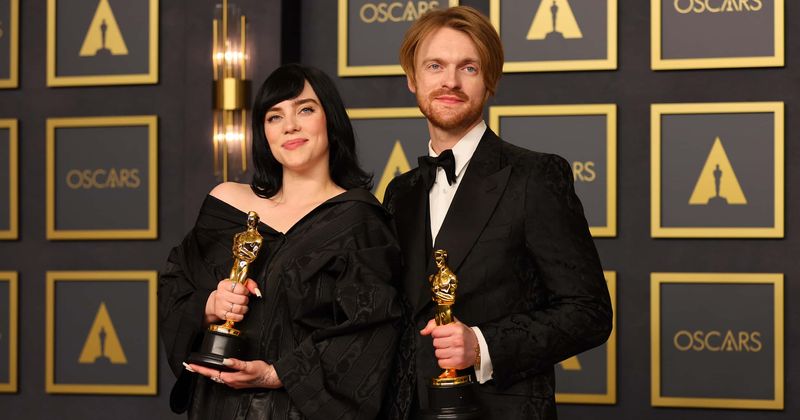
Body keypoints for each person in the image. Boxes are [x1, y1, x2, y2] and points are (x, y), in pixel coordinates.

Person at [382, 6, 613, 419]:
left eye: (468, 68)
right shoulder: (400, 193)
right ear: (412, 79)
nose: (450, 81)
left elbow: (589, 312)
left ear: (490, 81)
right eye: (435, 66)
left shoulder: (535, 176)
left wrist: (482, 345)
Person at [159, 64, 410, 420]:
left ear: (330, 119)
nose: (289, 126)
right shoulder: (226, 205)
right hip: (215, 406)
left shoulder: (359, 221)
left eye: (305, 110)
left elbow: (372, 331)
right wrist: (210, 305)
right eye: (274, 116)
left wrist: (277, 374)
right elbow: (175, 287)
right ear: (264, 132)